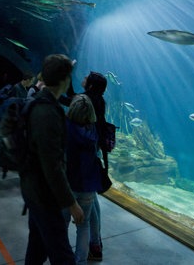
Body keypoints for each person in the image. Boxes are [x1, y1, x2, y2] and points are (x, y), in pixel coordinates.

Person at [20, 54, 84, 265]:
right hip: (44, 195)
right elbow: (52, 166)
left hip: (33, 190)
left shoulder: (39, 101)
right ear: (64, 80)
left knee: (37, 249)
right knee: (63, 256)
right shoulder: (47, 112)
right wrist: (71, 203)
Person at [64, 94, 102, 265]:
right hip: (88, 186)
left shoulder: (68, 128)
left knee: (62, 224)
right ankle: (80, 262)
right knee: (83, 225)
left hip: (69, 186)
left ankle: (63, 259)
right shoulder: (92, 129)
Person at [81, 72, 109, 262]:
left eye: (86, 78)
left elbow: (69, 98)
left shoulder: (87, 100)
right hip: (95, 150)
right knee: (93, 200)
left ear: (91, 85)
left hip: (87, 154)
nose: (83, 79)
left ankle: (95, 245)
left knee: (88, 201)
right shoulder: (99, 99)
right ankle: (96, 241)